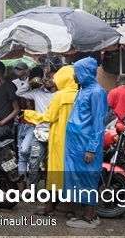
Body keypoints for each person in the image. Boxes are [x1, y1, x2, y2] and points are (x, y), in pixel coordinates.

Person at [23, 66, 78, 215]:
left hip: (58, 140)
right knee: (71, 174)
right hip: (75, 141)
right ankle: (71, 210)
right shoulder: (80, 95)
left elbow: (49, 117)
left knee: (53, 173)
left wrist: (28, 115)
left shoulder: (61, 96)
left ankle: (49, 208)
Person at [65, 57, 109, 228]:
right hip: (76, 144)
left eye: (76, 72)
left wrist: (91, 148)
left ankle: (88, 218)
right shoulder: (82, 90)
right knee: (79, 178)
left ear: (84, 72)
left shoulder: (97, 92)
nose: (74, 76)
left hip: (85, 144)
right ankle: (90, 215)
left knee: (87, 178)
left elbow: (98, 122)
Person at [16, 67, 55, 188]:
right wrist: (29, 83)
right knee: (33, 163)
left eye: (50, 78)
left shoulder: (61, 95)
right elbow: (19, 93)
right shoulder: (38, 92)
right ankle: (32, 190)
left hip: (55, 132)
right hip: (39, 132)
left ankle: (50, 192)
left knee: (52, 165)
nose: (46, 80)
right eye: (46, 77)